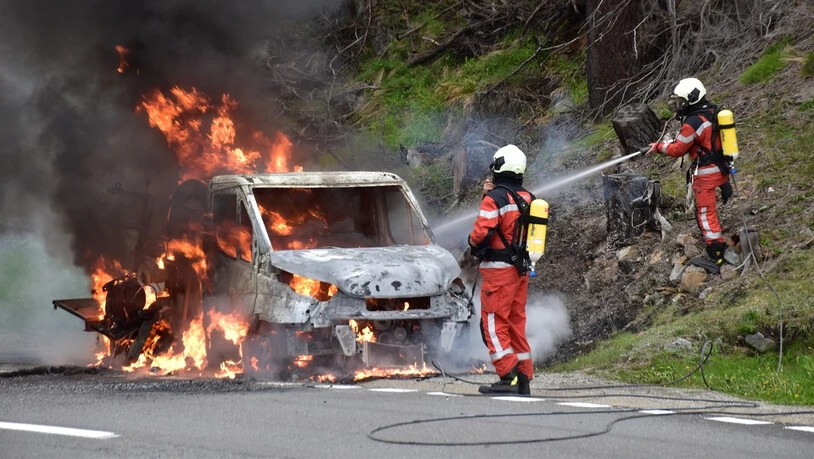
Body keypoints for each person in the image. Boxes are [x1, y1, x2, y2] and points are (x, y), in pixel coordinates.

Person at [468, 144, 533, 395]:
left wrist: (472, 243)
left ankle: (508, 376)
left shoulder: (495, 199)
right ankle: (523, 378)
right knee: (515, 323)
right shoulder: (528, 198)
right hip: (520, 270)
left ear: (499, 167)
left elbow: (481, 233)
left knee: (494, 323)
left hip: (498, 271)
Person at [648, 77, 731, 272]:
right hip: (721, 168)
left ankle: (716, 255)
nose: (679, 105)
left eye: (682, 100)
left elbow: (678, 149)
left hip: (706, 173)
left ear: (691, 99)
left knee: (705, 213)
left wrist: (658, 147)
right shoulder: (712, 111)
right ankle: (716, 247)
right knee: (708, 211)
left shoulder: (693, 122)